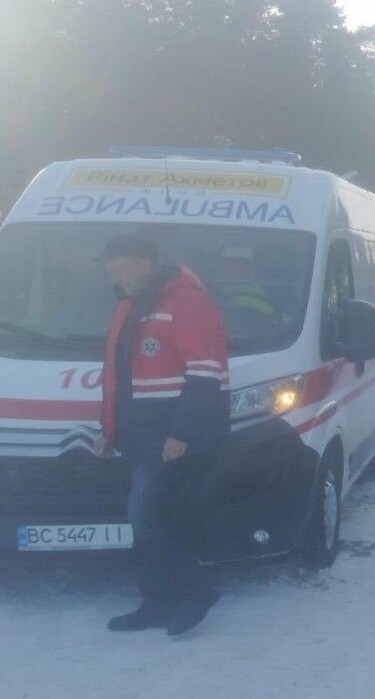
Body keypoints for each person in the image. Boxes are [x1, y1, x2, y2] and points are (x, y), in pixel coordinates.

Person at [98, 234, 230, 637]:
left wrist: (181, 433)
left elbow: (207, 371)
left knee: (145, 516)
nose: (112, 274)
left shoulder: (186, 302)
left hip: (170, 435)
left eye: (117, 265)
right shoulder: (132, 306)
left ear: (143, 263)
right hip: (140, 435)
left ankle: (196, 590)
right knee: (152, 519)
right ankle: (157, 602)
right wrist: (110, 428)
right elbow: (119, 377)